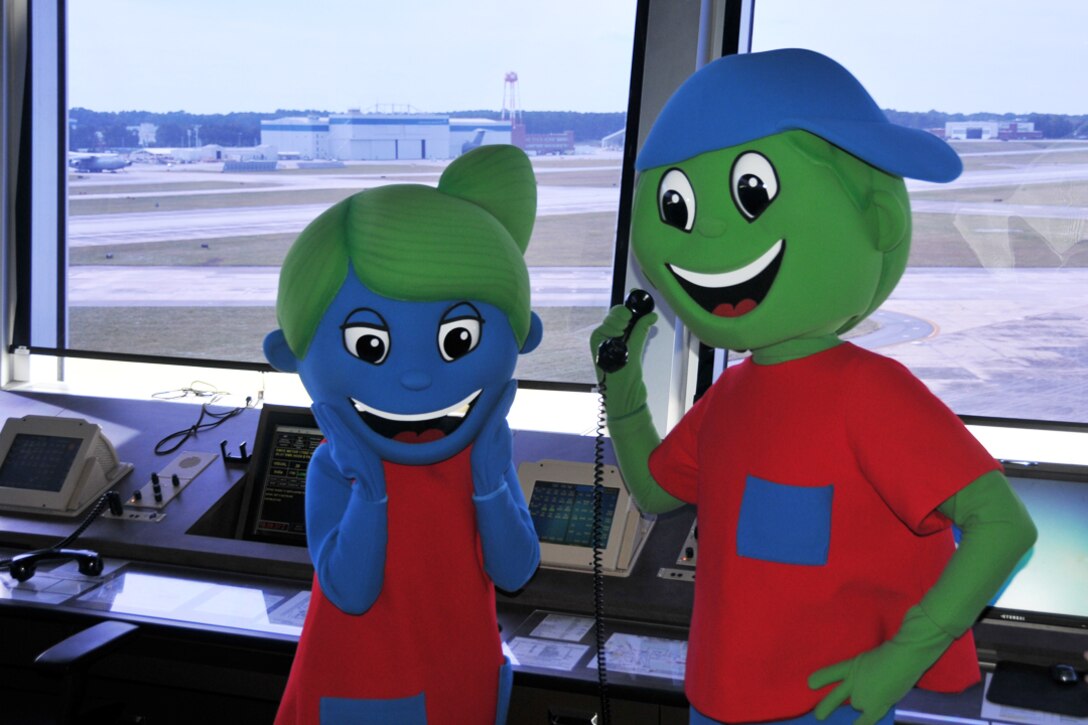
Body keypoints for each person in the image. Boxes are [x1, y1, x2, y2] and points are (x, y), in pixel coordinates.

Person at [591, 49, 1037, 725]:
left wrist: (901, 658)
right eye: (677, 206)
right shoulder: (734, 395)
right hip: (715, 701)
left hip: (820, 709)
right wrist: (622, 389)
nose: (708, 229)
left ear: (877, 221)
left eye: (751, 194)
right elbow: (656, 489)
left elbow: (1004, 526)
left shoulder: (871, 393)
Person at [264, 145, 542, 724]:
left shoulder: (479, 458)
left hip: (461, 682)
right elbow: (351, 590)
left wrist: (491, 485)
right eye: (371, 347)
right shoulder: (333, 466)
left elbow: (515, 571)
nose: (416, 376)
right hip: (364, 686)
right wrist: (370, 492)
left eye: (456, 341)